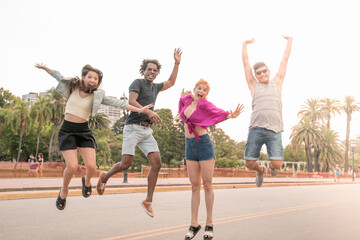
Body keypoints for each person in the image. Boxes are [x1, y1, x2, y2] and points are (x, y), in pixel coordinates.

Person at [35, 63, 152, 210]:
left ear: (98, 82)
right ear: (83, 77)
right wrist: (45, 68)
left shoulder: (98, 95)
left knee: (91, 166)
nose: (92, 80)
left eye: (96, 78)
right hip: (67, 130)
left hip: (83, 131)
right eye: (89, 77)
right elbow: (58, 75)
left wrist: (139, 109)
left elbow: (119, 103)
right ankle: (64, 191)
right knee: (72, 166)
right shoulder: (73, 86)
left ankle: (88, 182)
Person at [96, 48, 183, 218]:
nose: (151, 72)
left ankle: (148, 201)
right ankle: (104, 177)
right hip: (133, 127)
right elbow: (132, 100)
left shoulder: (156, 87)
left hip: (147, 131)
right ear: (144, 71)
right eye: (149, 69)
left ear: (157, 73)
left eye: (154, 70)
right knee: (126, 163)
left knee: (156, 163)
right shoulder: (138, 83)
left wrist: (177, 62)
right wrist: (148, 112)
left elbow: (171, 82)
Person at [179, 80, 244, 240]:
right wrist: (181, 96)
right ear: (194, 89)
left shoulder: (205, 105)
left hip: (204, 145)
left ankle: (209, 223)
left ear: (207, 94)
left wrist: (231, 115)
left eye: (204, 90)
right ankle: (194, 223)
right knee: (194, 186)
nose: (201, 91)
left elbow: (218, 113)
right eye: (199, 88)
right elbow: (181, 107)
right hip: (189, 145)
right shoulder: (187, 99)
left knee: (207, 184)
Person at [242, 36, 293, 187]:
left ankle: (272, 167)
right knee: (249, 163)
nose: (262, 74)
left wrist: (290, 40)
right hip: (256, 129)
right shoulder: (253, 85)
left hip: (274, 131)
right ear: (255, 76)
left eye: (264, 71)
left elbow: (285, 60)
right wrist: (244, 44)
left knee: (277, 164)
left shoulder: (277, 82)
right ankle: (260, 170)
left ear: (269, 71)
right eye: (258, 73)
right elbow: (245, 64)